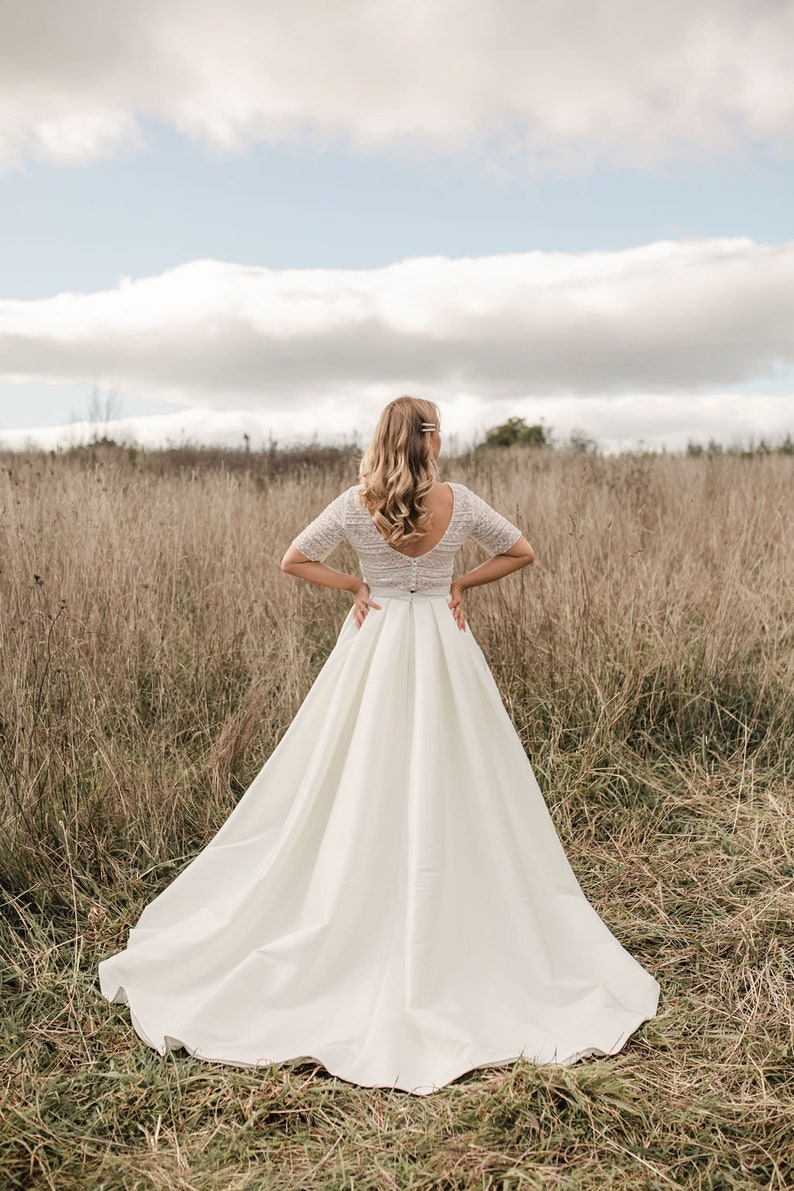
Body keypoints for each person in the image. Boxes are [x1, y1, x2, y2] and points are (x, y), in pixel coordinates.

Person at [98, 394, 660, 1095]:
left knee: (356, 772)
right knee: (460, 774)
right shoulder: (459, 500)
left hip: (375, 641)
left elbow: (293, 559)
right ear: (430, 439)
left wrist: (354, 585)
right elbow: (522, 551)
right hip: (445, 646)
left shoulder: (358, 502)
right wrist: (460, 581)